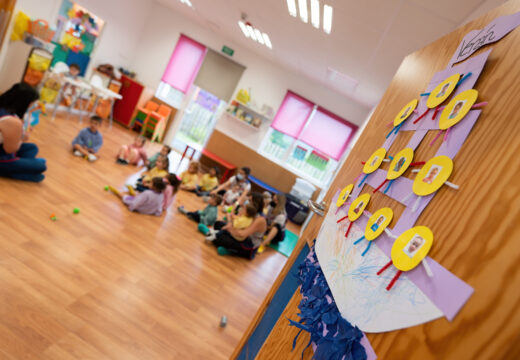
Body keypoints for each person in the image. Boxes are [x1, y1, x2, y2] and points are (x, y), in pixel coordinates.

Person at [0, 83, 46, 182]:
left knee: (32, 148)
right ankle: (15, 171)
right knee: (41, 166)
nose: (32, 106)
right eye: (32, 103)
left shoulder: (4, 108)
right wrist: (22, 138)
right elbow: (10, 150)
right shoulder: (12, 121)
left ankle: (24, 168)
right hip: (3, 157)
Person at [210, 192, 267, 259]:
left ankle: (231, 251)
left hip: (248, 243)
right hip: (237, 234)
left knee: (221, 238)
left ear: (255, 204)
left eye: (250, 201)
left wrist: (229, 225)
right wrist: (230, 223)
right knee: (218, 224)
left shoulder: (260, 219)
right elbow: (237, 220)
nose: (248, 202)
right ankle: (217, 236)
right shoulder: (248, 210)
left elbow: (242, 234)